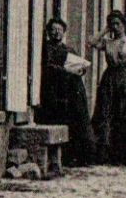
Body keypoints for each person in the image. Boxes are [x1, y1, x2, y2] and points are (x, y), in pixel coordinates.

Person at [89, 10, 126, 165]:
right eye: (113, 24)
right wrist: (105, 30)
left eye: (118, 24)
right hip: (109, 79)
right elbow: (92, 42)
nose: (116, 27)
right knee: (106, 114)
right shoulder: (107, 42)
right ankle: (107, 154)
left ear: (124, 25)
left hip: (125, 80)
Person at [38, 18, 95, 166]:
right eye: (53, 30)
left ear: (64, 32)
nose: (57, 33)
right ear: (48, 32)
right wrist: (64, 70)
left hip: (69, 90)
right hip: (53, 90)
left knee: (75, 119)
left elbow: (79, 67)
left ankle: (75, 156)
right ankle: (59, 156)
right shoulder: (45, 49)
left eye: (60, 30)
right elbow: (47, 67)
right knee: (56, 117)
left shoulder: (68, 50)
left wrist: (81, 69)